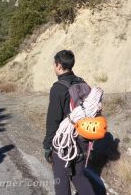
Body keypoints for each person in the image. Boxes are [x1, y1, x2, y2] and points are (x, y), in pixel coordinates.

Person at [43, 50, 95, 195]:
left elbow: (53, 120)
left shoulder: (58, 88)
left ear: (59, 66)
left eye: (54, 64)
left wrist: (48, 146)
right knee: (78, 175)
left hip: (65, 142)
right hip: (84, 137)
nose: (53, 67)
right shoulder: (82, 82)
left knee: (61, 179)